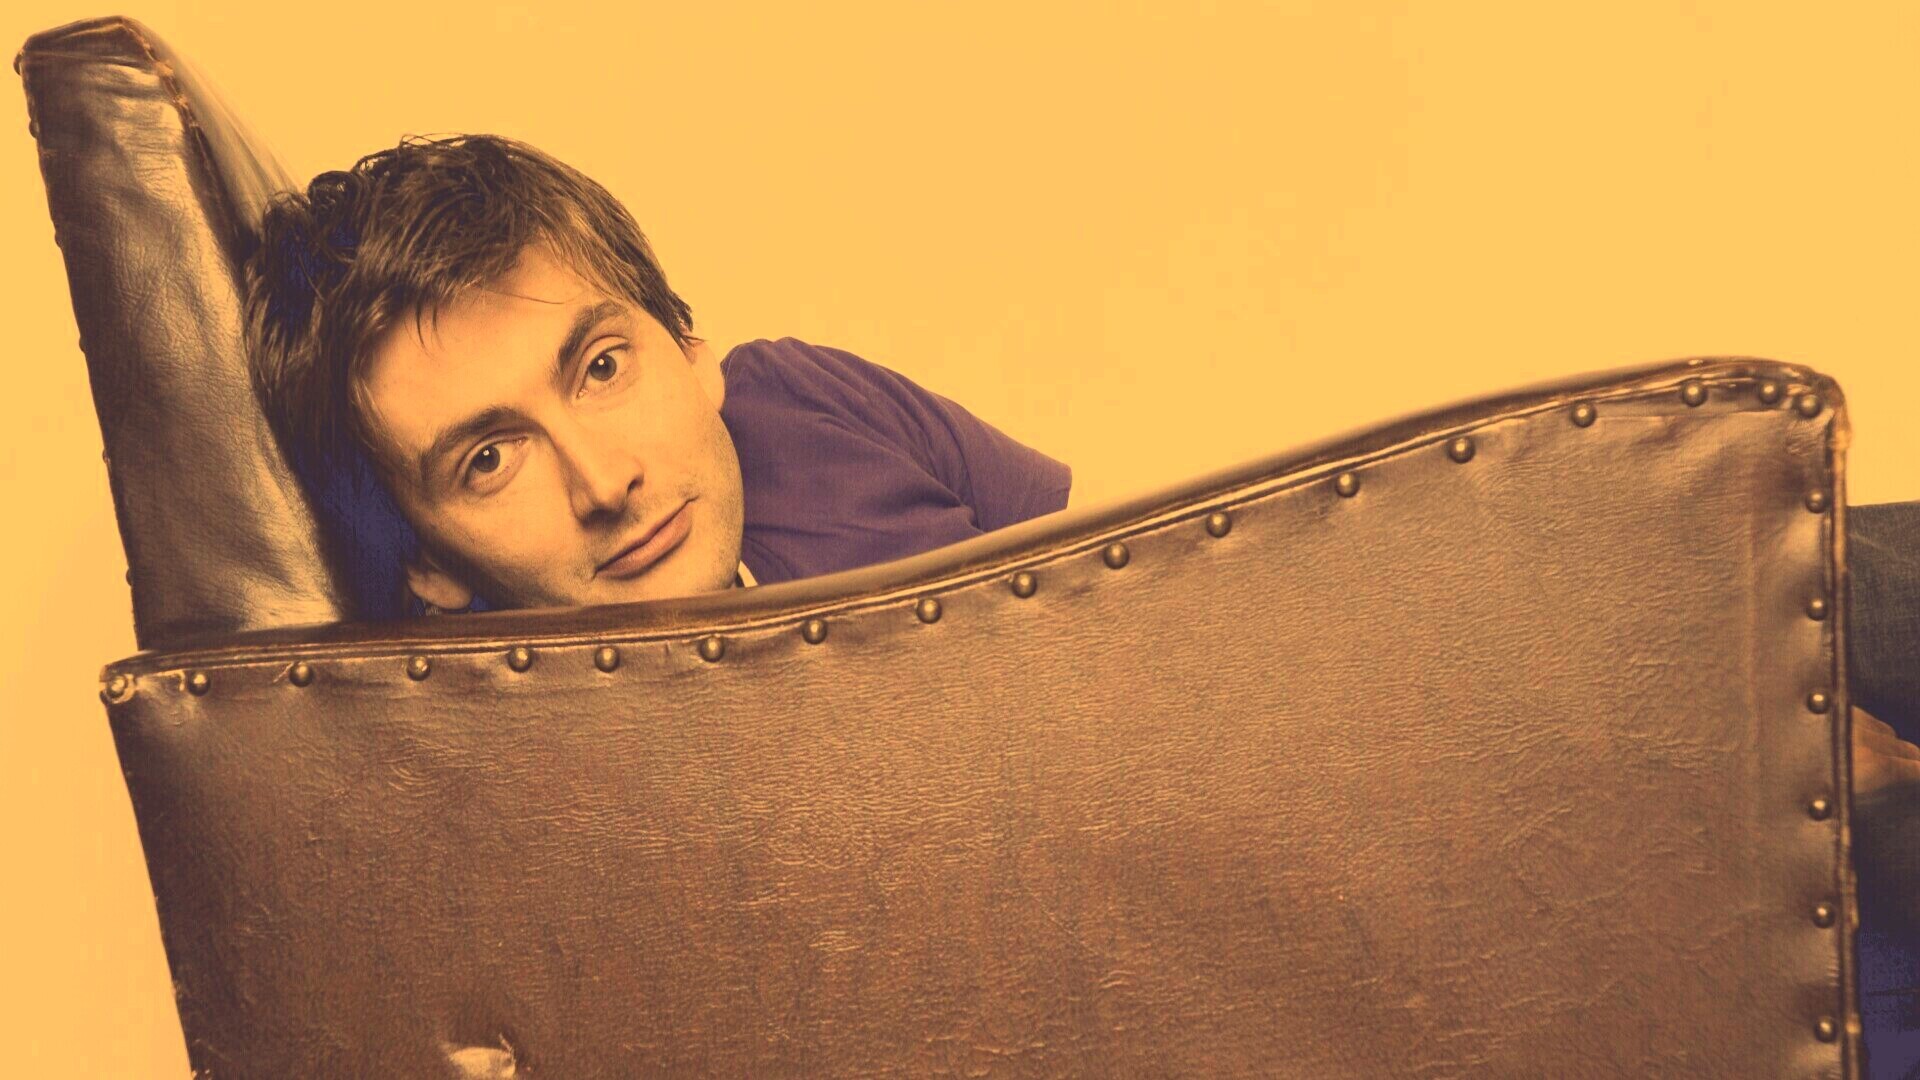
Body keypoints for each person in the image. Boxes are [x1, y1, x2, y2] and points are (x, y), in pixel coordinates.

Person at [242, 133, 1918, 1076]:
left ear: (688, 348)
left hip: (1290, 769)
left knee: (1786, 574)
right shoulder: (549, 814)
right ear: (431, 568)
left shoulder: (806, 402)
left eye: (602, 366)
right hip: (1269, 943)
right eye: (487, 458)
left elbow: (1160, 618)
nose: (603, 476)